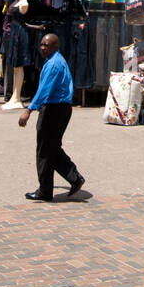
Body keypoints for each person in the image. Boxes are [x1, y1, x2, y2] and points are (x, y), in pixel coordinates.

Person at [18, 33, 85, 202]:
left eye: (46, 45)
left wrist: (29, 110)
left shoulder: (54, 64)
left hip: (54, 110)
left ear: (55, 47)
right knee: (51, 148)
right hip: (59, 109)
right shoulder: (56, 60)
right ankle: (73, 178)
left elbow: (44, 91)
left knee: (44, 149)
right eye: (41, 44)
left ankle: (46, 189)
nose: (42, 47)